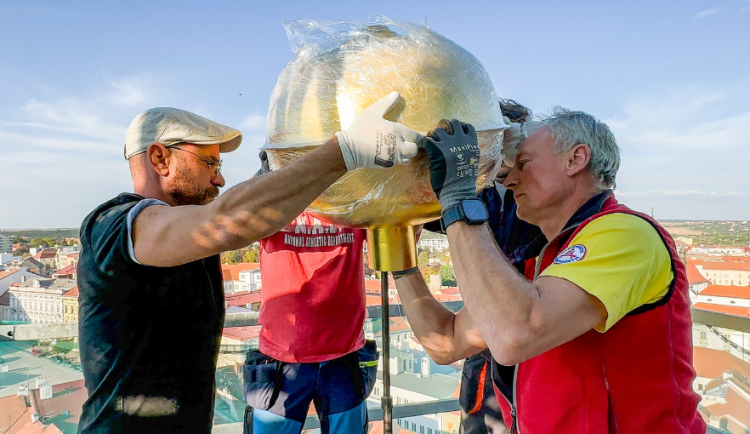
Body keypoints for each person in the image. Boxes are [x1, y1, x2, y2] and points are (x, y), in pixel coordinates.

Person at [76, 93, 421, 434]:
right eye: (209, 163)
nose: (219, 179)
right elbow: (224, 222)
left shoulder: (189, 239)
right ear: (160, 159)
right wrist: (343, 151)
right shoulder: (113, 224)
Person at [395, 109, 705, 433]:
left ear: (576, 159)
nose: (511, 179)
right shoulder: (538, 264)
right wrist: (402, 262)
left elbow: (515, 334)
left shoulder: (627, 234)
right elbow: (446, 342)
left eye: (524, 163)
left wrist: (457, 196)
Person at [418, 100, 545, 434]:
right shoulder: (482, 193)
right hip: (482, 350)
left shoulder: (540, 196)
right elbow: (416, 207)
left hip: (537, 342)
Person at [241, 153, 377, 434]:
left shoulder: (354, 196)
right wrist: (269, 172)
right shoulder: (276, 195)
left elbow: (390, 241)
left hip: (343, 352)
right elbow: (238, 214)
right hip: (282, 356)